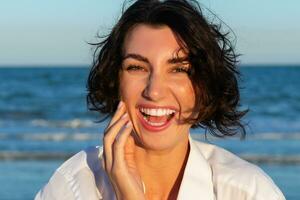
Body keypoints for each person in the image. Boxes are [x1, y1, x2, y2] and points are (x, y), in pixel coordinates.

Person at [35, 0, 286, 199]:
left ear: (204, 86)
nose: (154, 91)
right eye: (136, 67)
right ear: (116, 80)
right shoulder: (74, 186)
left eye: (179, 69)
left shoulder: (248, 192)